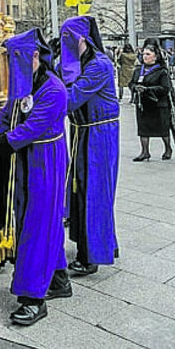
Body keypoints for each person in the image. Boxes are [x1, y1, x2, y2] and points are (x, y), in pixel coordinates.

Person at [0, 28, 68, 326]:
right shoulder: (26, 83)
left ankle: (33, 298)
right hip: (27, 159)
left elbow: (29, 129)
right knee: (37, 220)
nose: (10, 64)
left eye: (14, 58)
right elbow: (8, 115)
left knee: (36, 223)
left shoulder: (54, 89)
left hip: (46, 160)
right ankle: (59, 280)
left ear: (35, 56)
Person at [60, 16, 120, 277]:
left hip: (99, 133)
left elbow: (71, 98)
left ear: (81, 38)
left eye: (66, 38)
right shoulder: (82, 63)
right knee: (82, 190)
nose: (64, 44)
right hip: (84, 131)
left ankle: (92, 256)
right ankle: (102, 243)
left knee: (94, 191)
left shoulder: (98, 65)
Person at [130, 40, 175, 161]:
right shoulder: (138, 70)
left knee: (162, 129)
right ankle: (145, 152)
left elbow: (165, 88)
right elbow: (131, 83)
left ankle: (167, 148)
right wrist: (135, 88)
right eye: (143, 54)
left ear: (155, 56)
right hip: (143, 104)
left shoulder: (161, 71)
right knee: (143, 129)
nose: (145, 56)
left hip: (158, 104)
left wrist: (147, 89)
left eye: (148, 54)